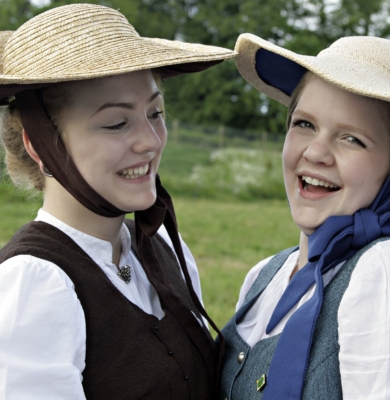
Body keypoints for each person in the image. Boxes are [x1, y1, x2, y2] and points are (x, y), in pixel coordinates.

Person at [219, 34, 390, 399]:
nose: (315, 152)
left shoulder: (388, 272)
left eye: (352, 139)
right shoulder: (263, 277)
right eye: (304, 124)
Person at [0, 4, 234, 399]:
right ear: (40, 144)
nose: (151, 141)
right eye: (116, 123)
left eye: (155, 113)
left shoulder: (162, 251)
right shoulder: (35, 286)